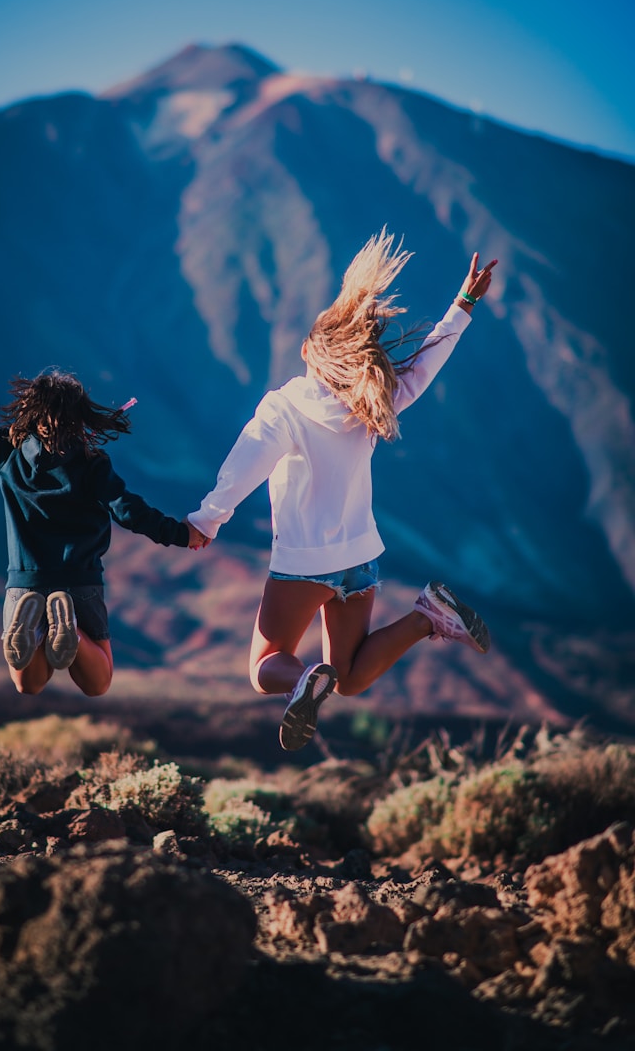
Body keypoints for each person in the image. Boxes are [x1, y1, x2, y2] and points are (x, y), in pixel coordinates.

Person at [186, 231, 497, 750]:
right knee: (349, 678)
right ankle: (428, 616)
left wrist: (206, 521)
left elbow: (244, 467)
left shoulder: (282, 407)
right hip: (361, 559)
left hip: (304, 563)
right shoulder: (370, 403)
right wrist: (462, 306)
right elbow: (422, 367)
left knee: (265, 666)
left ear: (309, 351)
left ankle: (303, 681)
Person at [0, 346, 207, 697]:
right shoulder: (92, 464)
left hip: (24, 585)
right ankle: (71, 634)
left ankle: (35, 632)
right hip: (79, 584)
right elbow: (129, 511)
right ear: (80, 417)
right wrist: (180, 533)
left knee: (28, 684)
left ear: (31, 414)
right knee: (99, 682)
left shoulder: (8, 454)